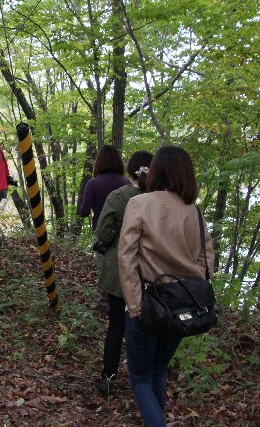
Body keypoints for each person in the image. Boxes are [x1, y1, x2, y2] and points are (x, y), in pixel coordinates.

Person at [117, 146, 214, 426]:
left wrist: (134, 304)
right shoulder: (193, 211)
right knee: (159, 370)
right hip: (183, 302)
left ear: (156, 170)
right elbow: (208, 260)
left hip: (148, 300)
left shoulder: (140, 203)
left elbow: (126, 256)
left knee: (139, 378)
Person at [93, 150, 154, 396]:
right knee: (147, 327)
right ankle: (145, 378)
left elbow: (104, 231)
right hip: (153, 274)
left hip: (122, 273)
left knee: (116, 326)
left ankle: (108, 377)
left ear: (131, 171)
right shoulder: (161, 200)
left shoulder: (119, 197)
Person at [78, 145, 131, 312]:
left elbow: (84, 212)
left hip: (101, 232)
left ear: (98, 162)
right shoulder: (126, 183)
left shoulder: (93, 183)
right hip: (126, 232)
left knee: (104, 266)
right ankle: (125, 301)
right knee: (124, 265)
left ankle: (105, 303)